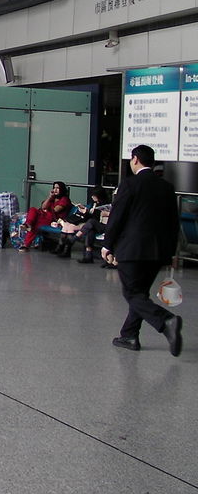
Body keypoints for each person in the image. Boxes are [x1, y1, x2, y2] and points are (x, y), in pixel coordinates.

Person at [101, 145, 182, 356]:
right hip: (157, 251)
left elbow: (117, 216)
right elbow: (173, 222)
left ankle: (166, 321)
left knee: (132, 293)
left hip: (133, 249)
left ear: (135, 159)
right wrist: (171, 252)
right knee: (140, 293)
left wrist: (107, 244)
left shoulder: (130, 184)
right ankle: (129, 335)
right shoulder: (166, 187)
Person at [19, 181, 71, 251]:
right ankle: (28, 224)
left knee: (36, 224)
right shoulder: (52, 198)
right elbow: (43, 207)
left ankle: (26, 244)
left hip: (54, 219)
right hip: (45, 215)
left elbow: (56, 210)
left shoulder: (64, 199)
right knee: (33, 209)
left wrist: (47, 209)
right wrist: (49, 197)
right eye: (54, 188)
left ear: (62, 189)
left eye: (58, 188)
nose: (55, 190)